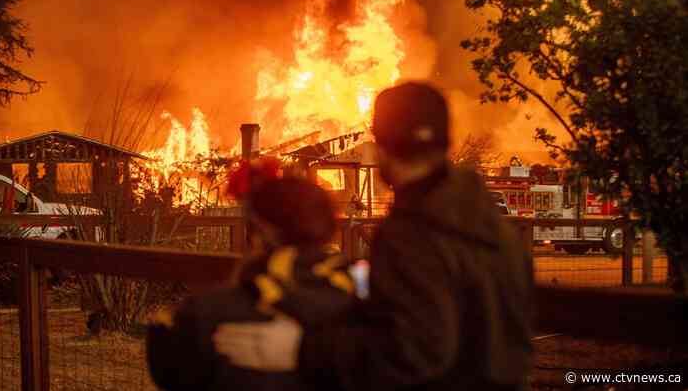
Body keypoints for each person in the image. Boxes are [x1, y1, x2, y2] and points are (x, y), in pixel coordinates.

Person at [214, 82, 534, 391]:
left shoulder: (413, 233)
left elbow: (413, 353)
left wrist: (300, 349)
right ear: (445, 142)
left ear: (381, 144)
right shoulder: (489, 223)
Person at [146, 175, 355, 391]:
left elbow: (168, 370)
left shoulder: (202, 314)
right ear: (328, 229)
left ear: (261, 230)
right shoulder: (366, 312)